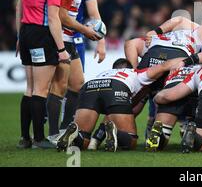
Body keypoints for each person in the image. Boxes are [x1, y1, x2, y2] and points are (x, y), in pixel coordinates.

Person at [16, 0, 75, 149]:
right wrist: (61, 50)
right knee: (40, 90)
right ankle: (40, 140)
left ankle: (25, 138)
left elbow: (20, 4)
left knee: (30, 88)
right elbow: (53, 18)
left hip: (26, 31)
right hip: (41, 35)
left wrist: (18, 36)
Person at [56, 57, 184, 152]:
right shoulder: (135, 73)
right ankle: (116, 133)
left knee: (83, 140)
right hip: (116, 86)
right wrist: (190, 58)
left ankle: (74, 135)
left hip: (89, 86)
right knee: (131, 140)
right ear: (130, 68)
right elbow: (164, 66)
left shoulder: (105, 72)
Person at [47, 0, 102, 143]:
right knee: (58, 86)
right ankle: (53, 134)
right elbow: (61, 15)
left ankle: (63, 129)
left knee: (78, 85)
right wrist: (85, 30)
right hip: (60, 38)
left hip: (69, 38)